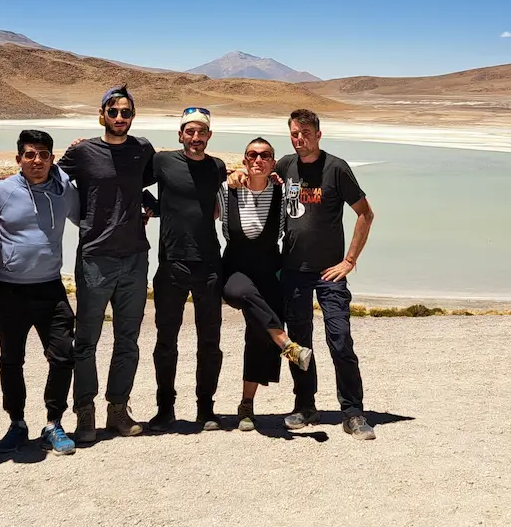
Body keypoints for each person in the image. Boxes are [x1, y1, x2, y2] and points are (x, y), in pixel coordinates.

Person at [58, 85, 156, 443]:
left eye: (125, 113)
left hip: (134, 256)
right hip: (95, 258)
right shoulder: (83, 152)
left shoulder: (141, 149)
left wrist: (151, 205)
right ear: (102, 115)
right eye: (113, 112)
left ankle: (118, 408)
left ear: (133, 116)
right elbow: (46, 180)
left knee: (127, 339)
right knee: (86, 340)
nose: (119, 118)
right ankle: (85, 411)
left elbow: (138, 186)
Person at [276, 109, 377, 439]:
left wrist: (349, 260)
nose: (299, 138)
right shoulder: (284, 166)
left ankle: (353, 412)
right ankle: (304, 405)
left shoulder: (336, 168)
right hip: (292, 271)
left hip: (328, 274)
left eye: (305, 132)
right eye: (294, 133)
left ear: (318, 134)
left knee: (340, 339)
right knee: (297, 344)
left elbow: (365, 213)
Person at [0, 129, 80, 456]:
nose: (37, 160)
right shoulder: (0, 191)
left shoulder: (64, 191)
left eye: (43, 154)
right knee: (11, 360)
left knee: (63, 355)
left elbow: (88, 219)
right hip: (7, 290)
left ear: (52, 159)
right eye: (30, 155)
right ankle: (17, 424)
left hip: (50, 288)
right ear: (18, 160)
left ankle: (53, 424)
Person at [218, 136, 313, 431]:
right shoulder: (225, 190)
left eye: (265, 155)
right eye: (252, 155)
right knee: (241, 293)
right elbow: (200, 213)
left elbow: (301, 217)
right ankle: (285, 342)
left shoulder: (282, 193)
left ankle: (246, 405)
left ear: (273, 162)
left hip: (271, 269)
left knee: (259, 337)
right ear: (244, 159)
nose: (258, 160)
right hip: (235, 268)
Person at [143, 107, 228, 432]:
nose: (195, 138)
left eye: (201, 132)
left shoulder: (216, 167)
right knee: (166, 340)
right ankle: (165, 409)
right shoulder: (162, 161)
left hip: (208, 265)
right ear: (180, 135)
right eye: (189, 132)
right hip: (171, 264)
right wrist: (151, 207)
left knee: (210, 341)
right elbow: (127, 179)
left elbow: (229, 192)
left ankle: (206, 409)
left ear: (208, 136)